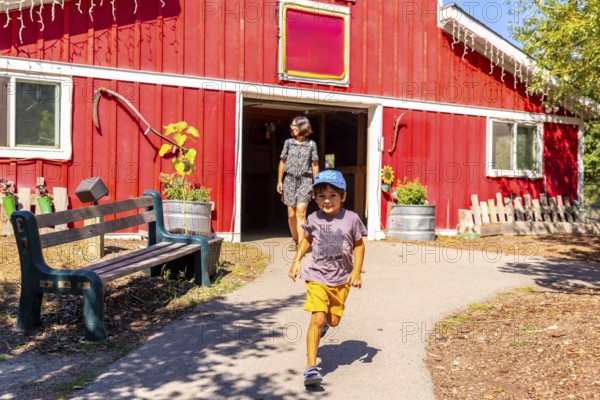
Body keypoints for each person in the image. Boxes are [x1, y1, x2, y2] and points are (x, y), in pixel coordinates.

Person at [288, 169, 367, 386]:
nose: (327, 200)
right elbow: (306, 239)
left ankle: (325, 325)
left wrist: (356, 271)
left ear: (343, 196)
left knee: (333, 321)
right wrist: (297, 260)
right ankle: (311, 368)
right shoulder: (313, 218)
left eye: (333, 195)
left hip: (341, 279)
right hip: (316, 277)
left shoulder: (352, 219)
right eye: (321, 195)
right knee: (318, 318)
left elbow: (359, 245)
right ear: (314, 197)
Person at [277, 116, 319, 249]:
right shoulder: (288, 143)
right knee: (291, 215)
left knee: (301, 212)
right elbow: (282, 161)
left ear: (303, 127)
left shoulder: (312, 145)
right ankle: (295, 239)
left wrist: (316, 184)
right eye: (292, 125)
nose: (292, 128)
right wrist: (279, 180)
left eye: (295, 126)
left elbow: (315, 164)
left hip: (305, 181)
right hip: (289, 180)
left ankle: (302, 244)